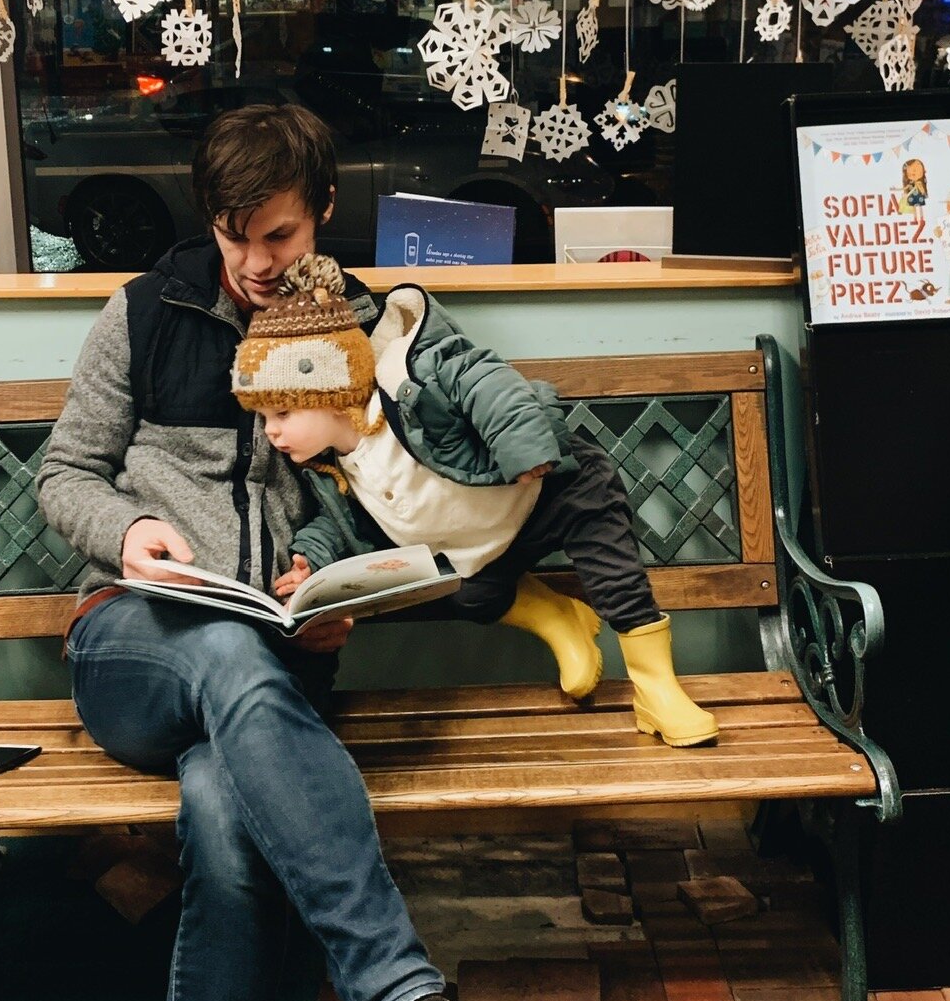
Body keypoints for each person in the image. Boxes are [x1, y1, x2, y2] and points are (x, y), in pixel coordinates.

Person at [35, 104, 544, 1001]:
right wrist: (129, 540)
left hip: (275, 679)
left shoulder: (364, 334)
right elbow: (62, 476)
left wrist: (337, 575)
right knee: (211, 654)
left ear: (323, 210)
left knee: (221, 808)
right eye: (233, 234)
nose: (254, 261)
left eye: (277, 233)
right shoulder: (144, 315)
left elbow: (411, 502)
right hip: (134, 647)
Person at [233, 253, 719, 749]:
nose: (271, 431)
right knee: (465, 593)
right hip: (483, 552)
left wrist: (523, 448)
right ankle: (557, 616)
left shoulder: (410, 386)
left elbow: (485, 380)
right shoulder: (329, 467)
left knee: (604, 543)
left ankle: (656, 689)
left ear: (331, 393)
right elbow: (340, 523)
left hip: (544, 492)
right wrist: (311, 560)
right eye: (264, 416)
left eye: (283, 411)